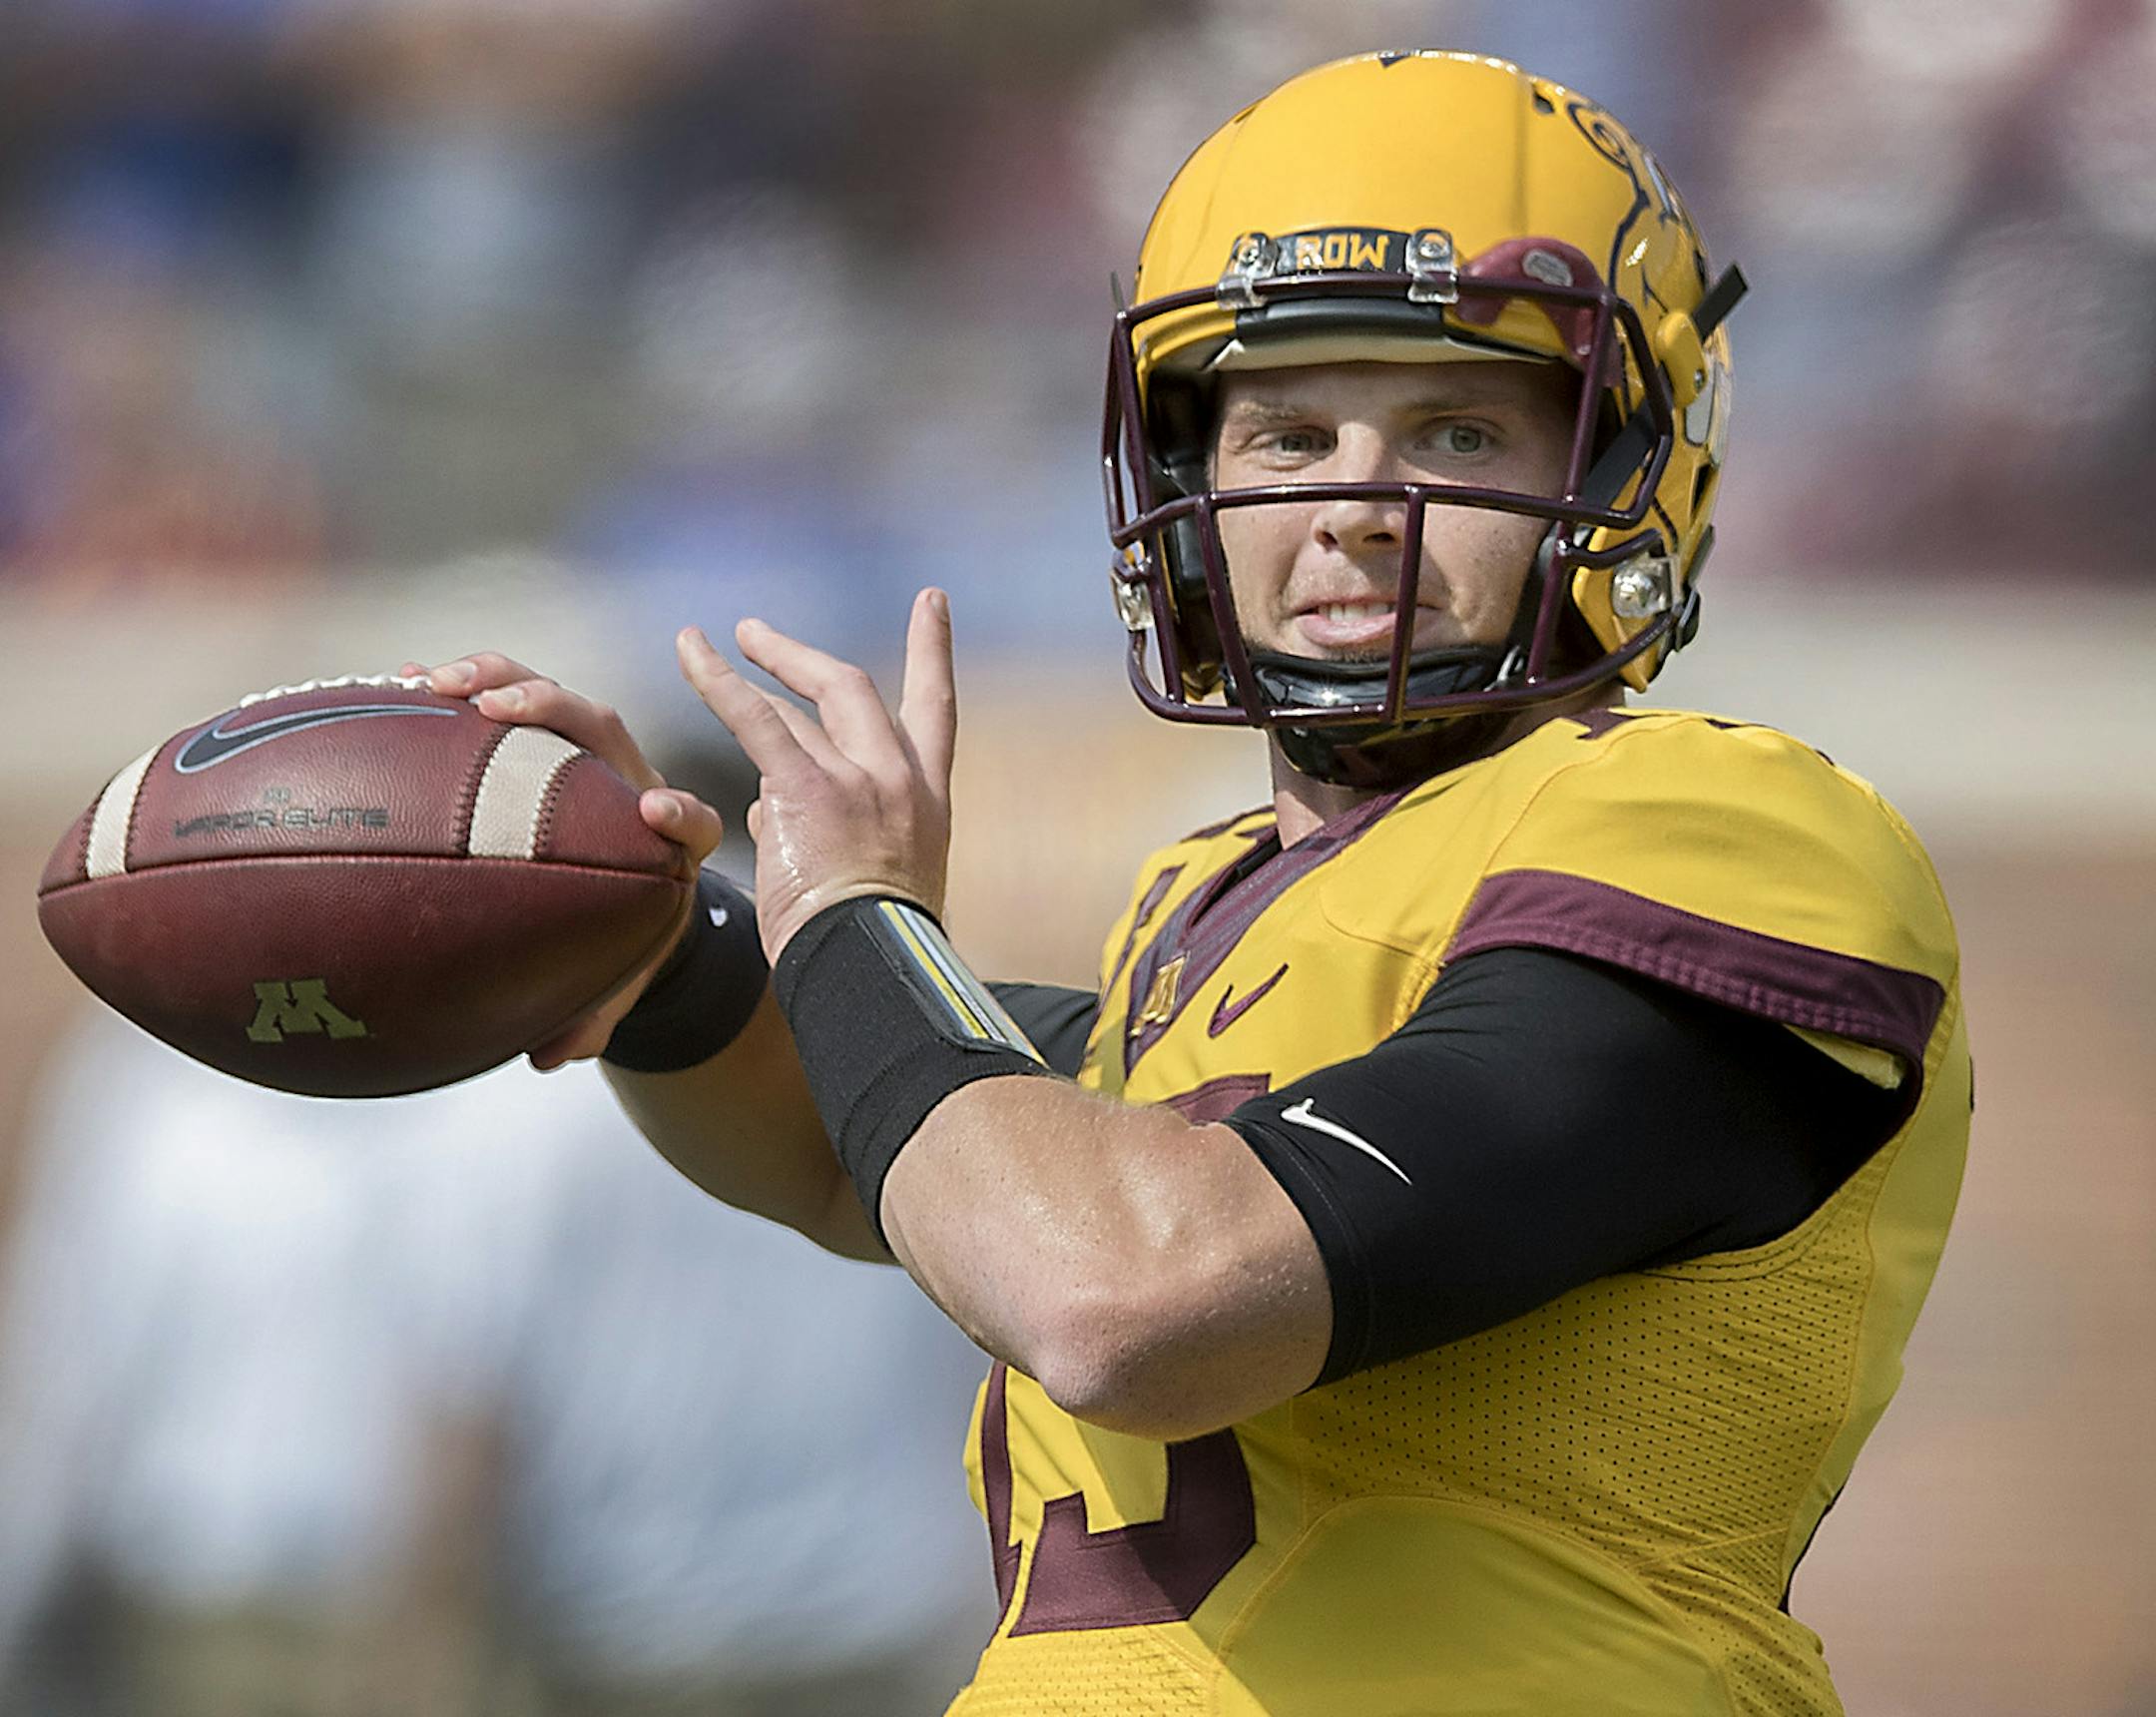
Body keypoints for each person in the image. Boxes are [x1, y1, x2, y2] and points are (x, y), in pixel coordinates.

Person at [408, 52, 1970, 1716]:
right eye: (1290, 436)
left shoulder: (1722, 824)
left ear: (1619, 467)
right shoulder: (1211, 907)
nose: (1357, 512)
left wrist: (862, 917)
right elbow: (850, 1130)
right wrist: (654, 934)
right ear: (1186, 489)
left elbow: (1127, 1300)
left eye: (1453, 426)